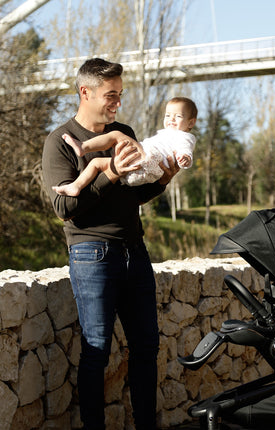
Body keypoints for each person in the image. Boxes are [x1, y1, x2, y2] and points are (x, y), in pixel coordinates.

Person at [42, 57, 179, 430]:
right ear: (85, 92)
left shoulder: (124, 130)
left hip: (135, 250)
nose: (117, 102)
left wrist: (163, 179)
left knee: (147, 347)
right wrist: (111, 174)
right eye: (110, 94)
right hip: (92, 255)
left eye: (120, 93)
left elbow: (131, 195)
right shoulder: (59, 142)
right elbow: (65, 208)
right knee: (97, 351)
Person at [53, 97, 197, 196]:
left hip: (150, 161)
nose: (171, 119)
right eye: (167, 115)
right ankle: (76, 186)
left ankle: (83, 146)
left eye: (178, 116)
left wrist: (185, 158)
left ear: (190, 123)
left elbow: (186, 150)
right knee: (96, 163)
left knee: (116, 135)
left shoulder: (184, 136)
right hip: (141, 171)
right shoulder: (167, 134)